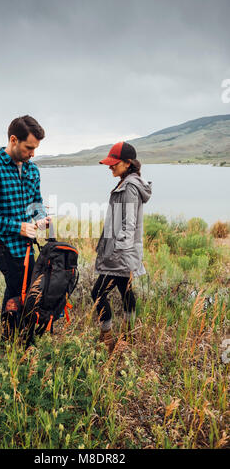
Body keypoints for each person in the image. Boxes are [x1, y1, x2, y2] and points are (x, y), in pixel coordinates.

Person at [0, 115, 51, 340]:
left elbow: (36, 202)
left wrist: (41, 218)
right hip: (5, 247)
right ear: (13, 140)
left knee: (27, 291)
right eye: (29, 148)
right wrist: (18, 227)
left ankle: (19, 337)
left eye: (35, 149)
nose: (32, 154)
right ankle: (11, 341)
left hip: (27, 246)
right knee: (17, 290)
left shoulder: (33, 171)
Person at [91, 141, 152, 353]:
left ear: (127, 163)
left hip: (120, 254)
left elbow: (128, 224)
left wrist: (114, 252)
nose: (110, 166)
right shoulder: (127, 183)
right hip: (122, 253)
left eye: (114, 163)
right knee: (125, 292)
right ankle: (128, 334)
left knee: (97, 293)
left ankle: (107, 337)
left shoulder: (129, 187)